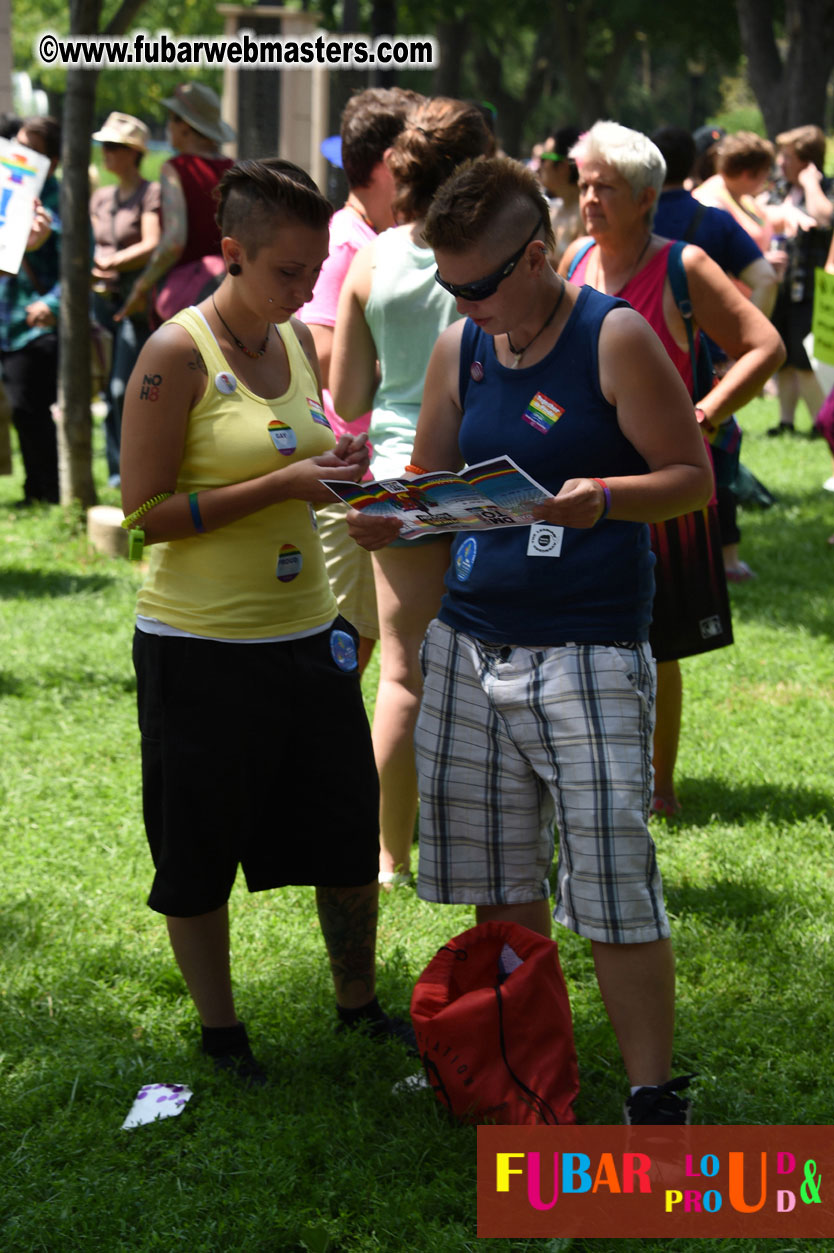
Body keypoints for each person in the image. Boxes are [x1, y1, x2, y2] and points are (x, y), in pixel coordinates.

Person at [349, 155, 714, 1123]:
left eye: (478, 284)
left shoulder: (616, 336)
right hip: (471, 646)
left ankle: (650, 1094)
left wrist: (606, 497)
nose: (464, 304)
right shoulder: (460, 347)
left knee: (610, 882)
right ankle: (520, 1069)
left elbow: (691, 476)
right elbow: (432, 480)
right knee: (498, 881)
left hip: (587, 651)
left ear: (540, 256)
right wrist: (394, 516)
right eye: (450, 285)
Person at [120, 158, 411, 1082]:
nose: (306, 288)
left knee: (344, 824)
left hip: (306, 635)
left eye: (315, 268)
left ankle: (356, 1003)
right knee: (198, 841)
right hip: (200, 648)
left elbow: (307, 460)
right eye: (289, 271)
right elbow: (141, 516)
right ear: (232, 254)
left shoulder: (297, 346)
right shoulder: (175, 353)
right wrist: (282, 484)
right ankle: (221, 1033)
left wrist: (347, 485)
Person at [561, 121, 785, 817]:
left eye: (605, 187)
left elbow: (764, 345)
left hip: (658, 488)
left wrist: (706, 414)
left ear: (646, 196)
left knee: (656, 642)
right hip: (579, 486)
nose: (589, 197)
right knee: (575, 634)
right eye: (584, 183)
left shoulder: (682, 265)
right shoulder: (572, 258)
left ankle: (659, 787)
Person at [330, 97, 493, 888]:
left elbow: (350, 394)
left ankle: (389, 855)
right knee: (511, 663)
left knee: (401, 676)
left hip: (399, 480)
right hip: (494, 475)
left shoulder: (371, 260)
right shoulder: (510, 246)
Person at [300, 87, 420, 674]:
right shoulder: (347, 244)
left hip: (373, 469)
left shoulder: (373, 241)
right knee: (345, 648)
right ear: (385, 166)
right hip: (352, 472)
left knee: (369, 642)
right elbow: (322, 352)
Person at [652, 125, 778, 583]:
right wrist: (731, 346)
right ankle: (725, 560)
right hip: (700, 365)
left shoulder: (626, 221)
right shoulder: (712, 221)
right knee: (712, 451)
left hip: (631, 365)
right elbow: (765, 278)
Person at [119, 83, 235, 326]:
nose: (168, 125)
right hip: (229, 293)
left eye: (172, 118)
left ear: (185, 127)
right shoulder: (233, 169)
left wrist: (143, 284)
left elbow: (174, 241)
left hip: (186, 300)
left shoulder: (176, 169)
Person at [90, 113, 161, 487]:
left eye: (114, 147)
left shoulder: (150, 193)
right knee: (106, 389)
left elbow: (153, 244)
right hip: (99, 304)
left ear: (134, 153)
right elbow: (90, 242)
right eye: (104, 145)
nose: (106, 153)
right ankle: (116, 470)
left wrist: (112, 261)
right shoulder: (100, 197)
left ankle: (128, 472)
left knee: (124, 388)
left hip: (134, 304)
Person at [0, 116, 62, 506]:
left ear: (53, 161)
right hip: (6, 317)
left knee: (31, 408)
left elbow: (78, 262)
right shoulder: (7, 187)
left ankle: (46, 492)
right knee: (18, 409)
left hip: (34, 322)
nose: (22, 154)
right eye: (19, 144)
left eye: (34, 149)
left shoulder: (63, 198)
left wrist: (51, 303)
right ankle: (32, 490)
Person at [762, 125, 834, 436]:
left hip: (813, 289)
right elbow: (759, 208)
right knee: (785, 359)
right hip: (782, 286)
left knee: (807, 360)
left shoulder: (826, 187)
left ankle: (823, 424)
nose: (780, 162)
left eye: (787, 156)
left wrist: (810, 185)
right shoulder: (780, 189)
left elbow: (826, 218)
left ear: (806, 161)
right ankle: (786, 421)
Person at [537, 124, 583, 265]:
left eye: (544, 158)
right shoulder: (551, 210)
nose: (540, 166)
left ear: (563, 166)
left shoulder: (588, 217)